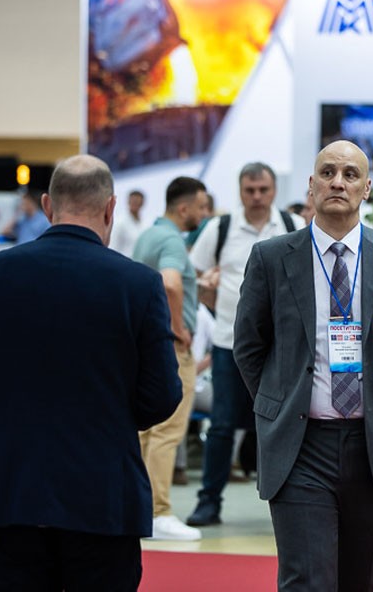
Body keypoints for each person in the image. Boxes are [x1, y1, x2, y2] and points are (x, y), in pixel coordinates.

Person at [0, 155, 182, 590]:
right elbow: (162, 394)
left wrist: (11, 412)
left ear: (48, 205)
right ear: (111, 208)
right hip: (103, 496)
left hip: (11, 492)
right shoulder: (138, 284)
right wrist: (112, 419)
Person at [233, 140, 373, 590]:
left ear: (367, 188)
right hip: (299, 445)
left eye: (350, 174)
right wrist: (280, 400)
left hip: (369, 443)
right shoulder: (272, 257)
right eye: (328, 172)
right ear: (311, 184)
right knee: (307, 580)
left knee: (362, 578)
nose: (338, 182)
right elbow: (249, 345)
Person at [186, 162, 302, 526]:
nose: (256, 196)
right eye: (250, 190)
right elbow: (193, 273)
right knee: (222, 426)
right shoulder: (220, 228)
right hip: (228, 343)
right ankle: (209, 502)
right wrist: (208, 292)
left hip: (281, 347)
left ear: (274, 191)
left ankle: (295, 506)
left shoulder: (292, 226)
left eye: (263, 190)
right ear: (240, 191)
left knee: (286, 426)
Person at [133, 176, 209, 541]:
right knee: (168, 431)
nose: (204, 214)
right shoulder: (171, 240)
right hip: (171, 348)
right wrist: (179, 328)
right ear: (183, 208)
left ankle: (142, 509)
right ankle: (158, 512)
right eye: (201, 207)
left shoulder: (148, 236)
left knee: (147, 432)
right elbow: (170, 283)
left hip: (146, 345)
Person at [110, 189, 149, 256]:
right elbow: (113, 246)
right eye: (133, 201)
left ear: (142, 203)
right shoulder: (120, 223)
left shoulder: (146, 224)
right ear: (128, 202)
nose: (135, 204)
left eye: (138, 202)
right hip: (124, 260)